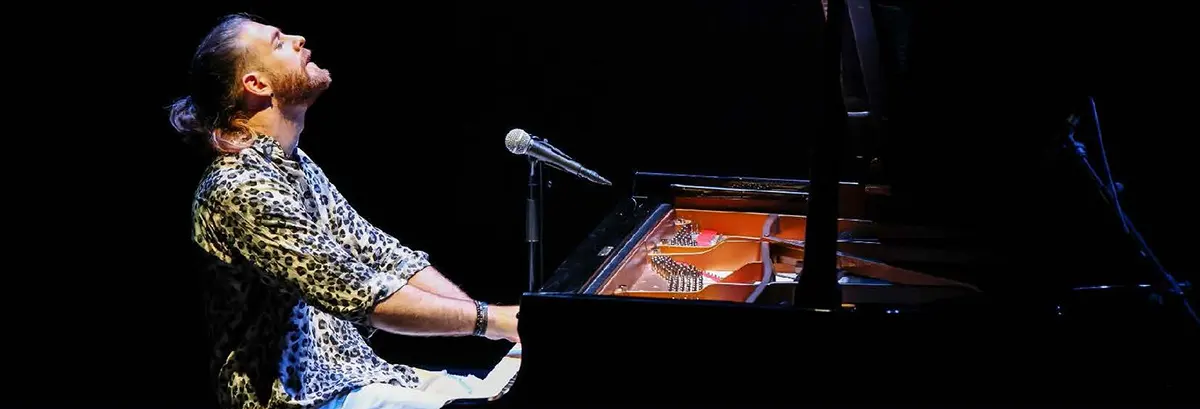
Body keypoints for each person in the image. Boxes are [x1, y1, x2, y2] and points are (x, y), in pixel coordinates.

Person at [167, 13, 520, 409]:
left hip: (354, 375)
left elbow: (383, 255)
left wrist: (495, 324)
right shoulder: (239, 187)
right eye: (279, 41)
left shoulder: (292, 163)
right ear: (256, 84)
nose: (299, 39)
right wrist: (491, 320)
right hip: (297, 399)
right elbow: (364, 296)